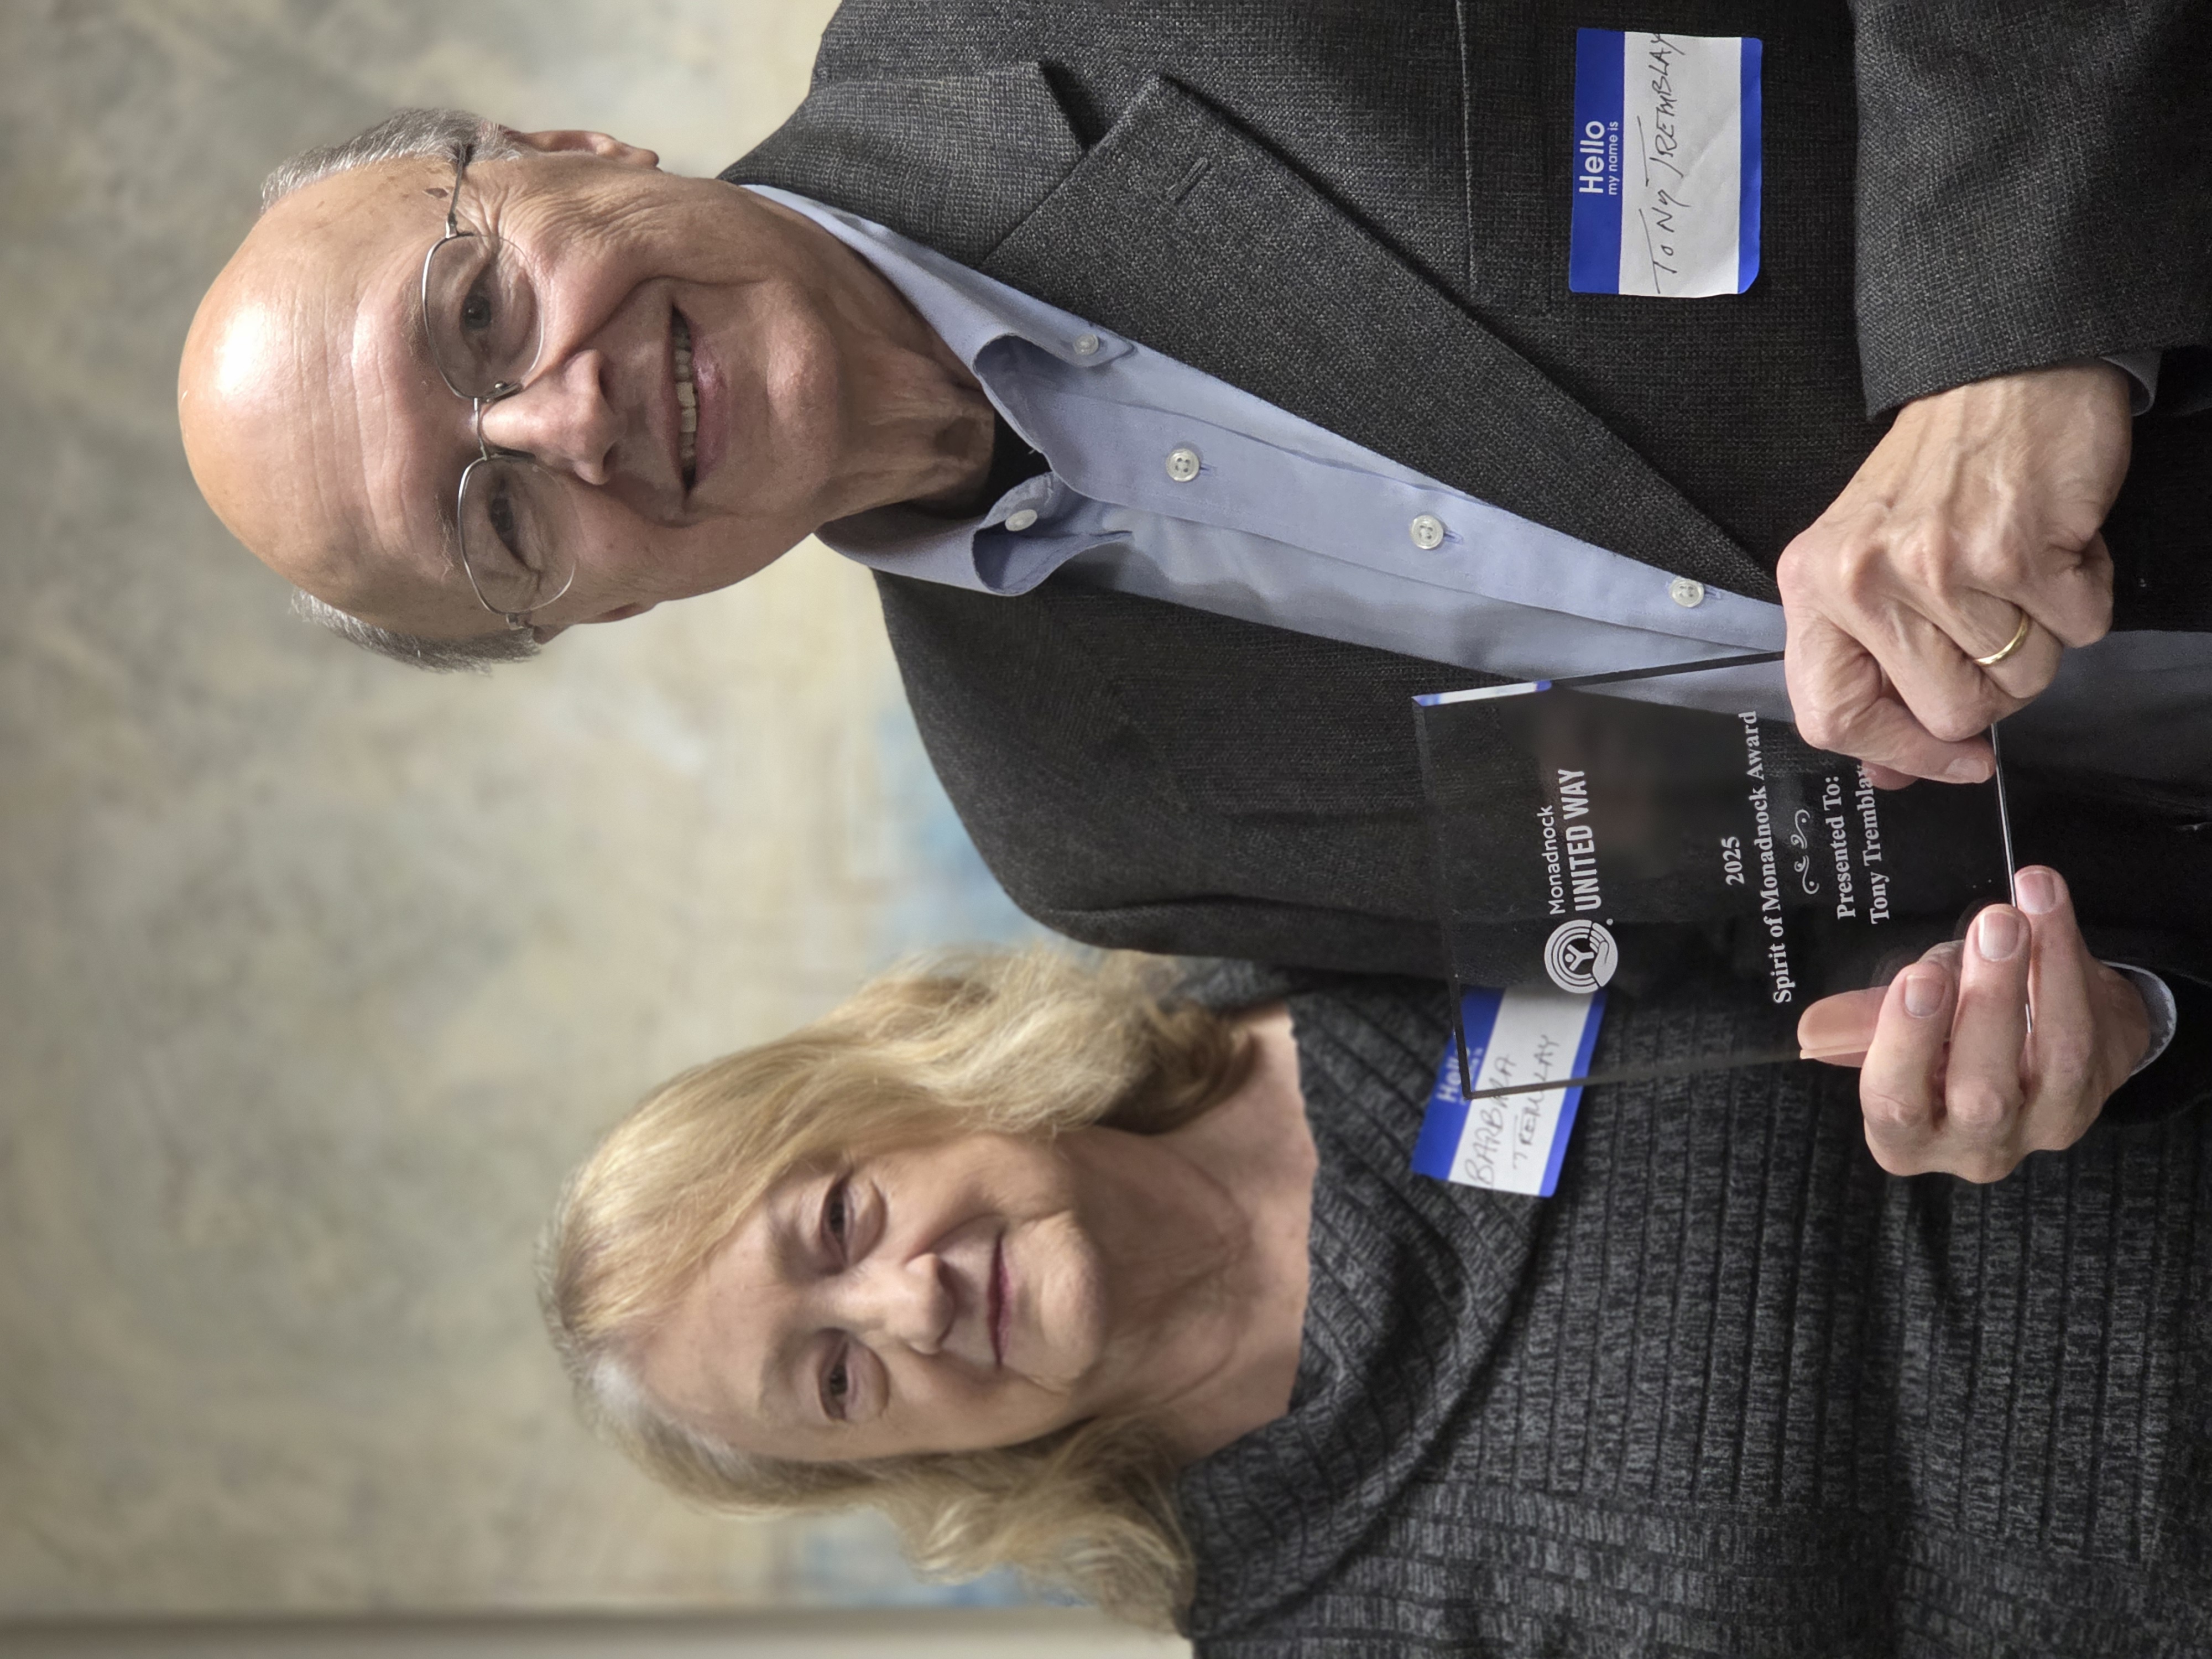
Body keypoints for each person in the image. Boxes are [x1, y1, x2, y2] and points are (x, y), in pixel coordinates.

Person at [175, 6, 2212, 1168]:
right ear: (592, 618)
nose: (561, 425)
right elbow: (1809, 977)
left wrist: (2011, 340)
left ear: (554, 142)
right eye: (494, 523)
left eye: (478, 315)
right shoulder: (1090, 834)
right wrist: (2105, 1019)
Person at [541, 939, 2212, 1652]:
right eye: (834, 1382)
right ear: (898, 1469)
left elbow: (1834, 864)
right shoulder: (1319, 1625)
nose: (902, 1311)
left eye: (837, 1221)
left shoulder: (1290, 927)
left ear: (892, 1093)